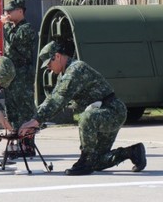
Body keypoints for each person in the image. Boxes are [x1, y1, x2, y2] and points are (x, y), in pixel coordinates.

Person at [18, 40, 146, 175]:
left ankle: (84, 161)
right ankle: (132, 152)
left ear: (57, 56)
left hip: (111, 112)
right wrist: (34, 121)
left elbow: (58, 100)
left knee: (86, 118)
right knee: (96, 162)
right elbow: (52, 98)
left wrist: (36, 120)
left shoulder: (76, 70)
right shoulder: (66, 73)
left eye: (49, 63)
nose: (48, 68)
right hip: (103, 113)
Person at [1, 0, 37, 158]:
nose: (7, 13)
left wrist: (7, 26)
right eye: (6, 11)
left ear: (20, 11)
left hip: (23, 74)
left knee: (25, 110)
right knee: (12, 109)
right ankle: (15, 143)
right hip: (12, 75)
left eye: (10, 11)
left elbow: (15, 44)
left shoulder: (26, 28)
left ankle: (28, 145)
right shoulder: (13, 27)